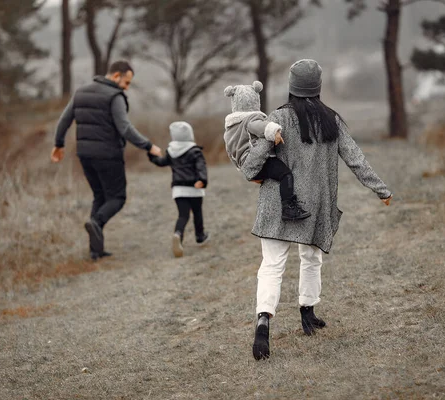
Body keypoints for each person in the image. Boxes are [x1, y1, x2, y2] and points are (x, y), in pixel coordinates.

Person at [239, 59, 393, 360]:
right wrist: (381, 189)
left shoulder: (277, 119)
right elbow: (355, 158)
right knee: (311, 258)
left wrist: (255, 170)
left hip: (276, 203)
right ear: (318, 87)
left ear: (291, 87)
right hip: (314, 206)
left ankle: (263, 322)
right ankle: (307, 312)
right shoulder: (331, 121)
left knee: (271, 265)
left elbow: (252, 164)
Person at [50, 60, 162, 260]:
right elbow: (125, 128)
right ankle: (97, 223)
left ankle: (95, 250)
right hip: (108, 155)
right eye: (126, 82)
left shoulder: (81, 92)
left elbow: (64, 120)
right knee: (117, 198)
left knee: (100, 197)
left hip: (85, 155)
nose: (126, 88)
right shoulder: (114, 96)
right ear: (116, 75)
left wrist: (59, 144)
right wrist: (148, 145)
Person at [223, 81, 310, 221]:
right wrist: (275, 131)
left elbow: (230, 150)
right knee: (286, 175)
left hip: (245, 163)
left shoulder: (231, 127)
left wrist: (243, 168)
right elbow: (262, 127)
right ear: (255, 100)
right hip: (257, 159)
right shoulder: (250, 120)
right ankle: (288, 208)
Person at [148, 121, 209, 258]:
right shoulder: (195, 151)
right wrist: (202, 180)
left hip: (178, 189)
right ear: (190, 135)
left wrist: (151, 155)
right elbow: (201, 167)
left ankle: (178, 235)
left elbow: (161, 162)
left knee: (183, 215)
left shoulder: (171, 151)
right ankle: (200, 236)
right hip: (194, 188)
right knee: (197, 213)